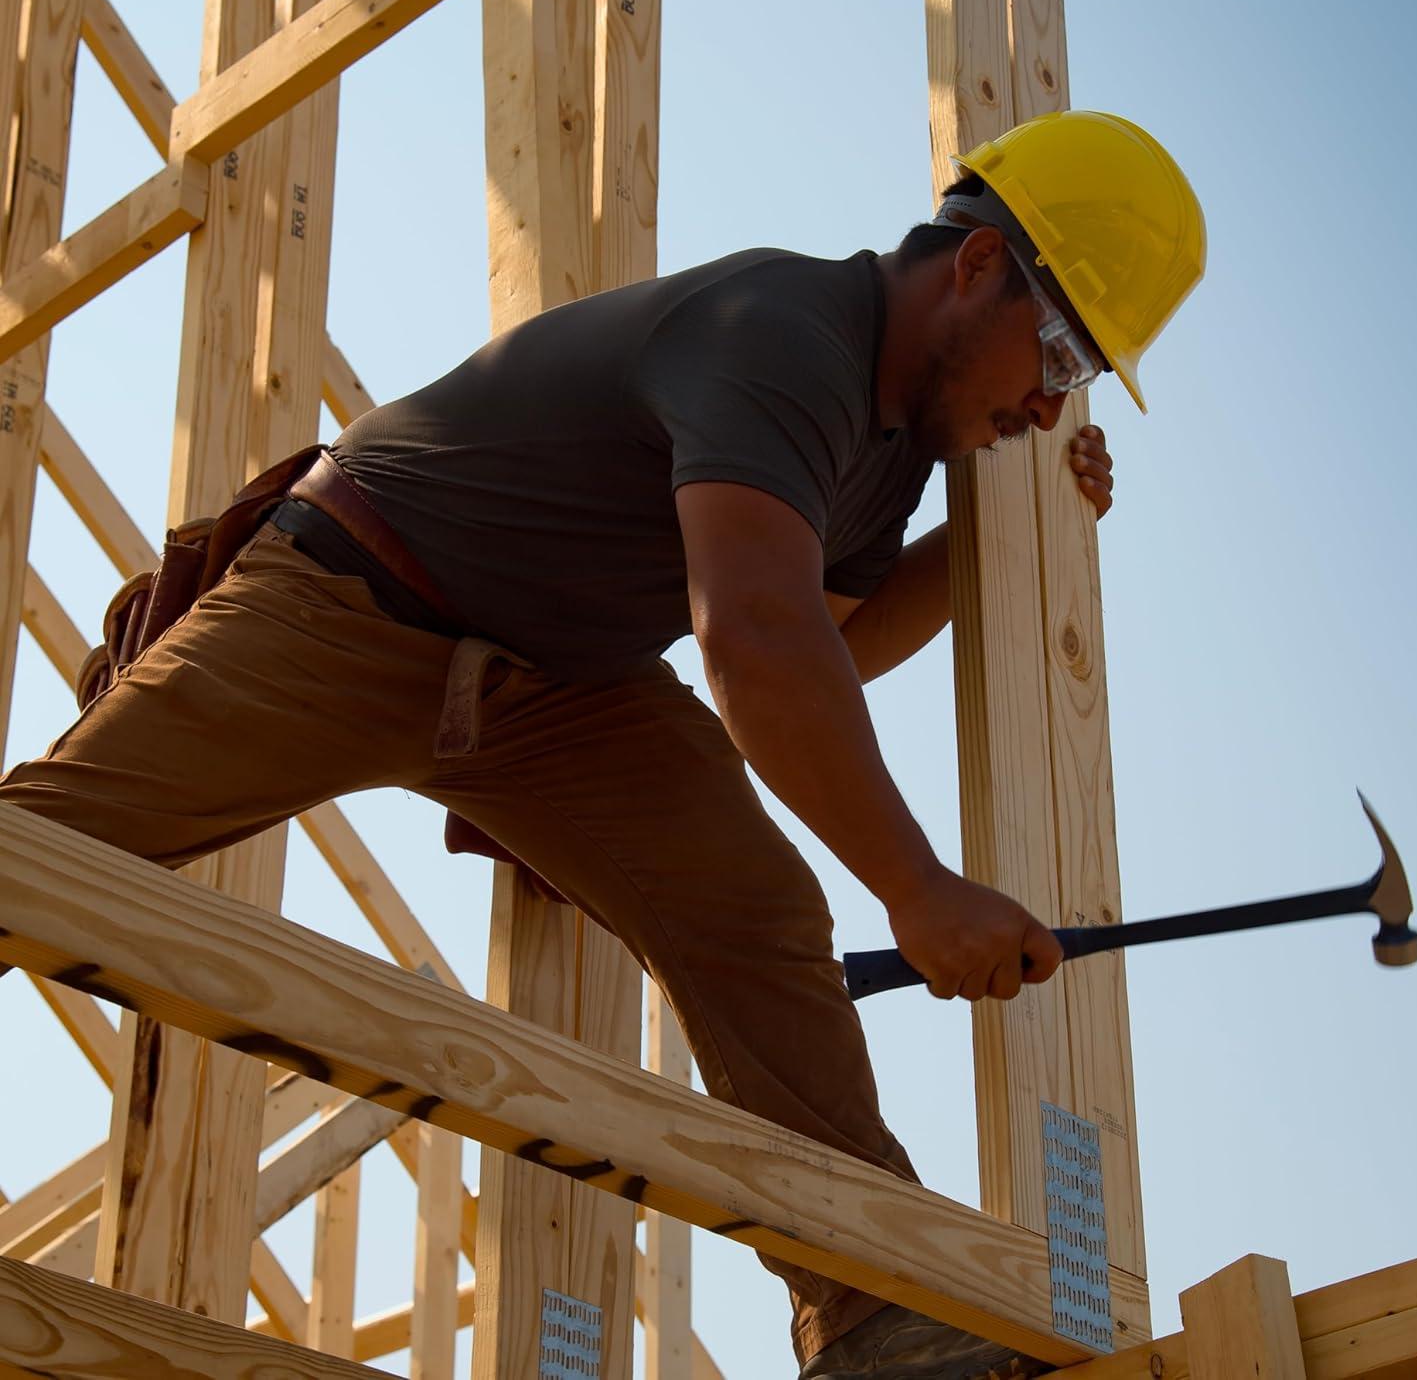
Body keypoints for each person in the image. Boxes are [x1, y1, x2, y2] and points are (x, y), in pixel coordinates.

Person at [0, 109, 1205, 1379]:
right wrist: (918, 888)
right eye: (1058, 345)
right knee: (53, 851)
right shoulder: (784, 334)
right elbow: (753, 636)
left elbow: (829, 650)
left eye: (1078, 373)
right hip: (356, 593)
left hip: (561, 689)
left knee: (753, 911)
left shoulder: (887, 456)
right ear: (972, 266)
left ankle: (872, 1318)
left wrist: (982, 549)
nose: (1049, 396)